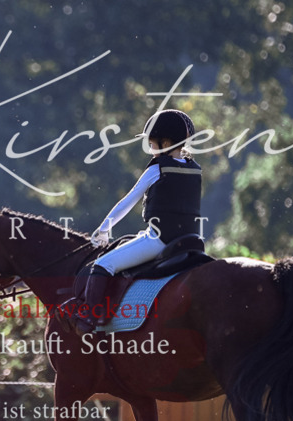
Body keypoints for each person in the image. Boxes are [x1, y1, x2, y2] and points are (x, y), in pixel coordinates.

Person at [67, 109, 203, 335]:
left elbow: (127, 202)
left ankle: (89, 319)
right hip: (192, 240)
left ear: (166, 142)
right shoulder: (195, 169)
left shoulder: (158, 167)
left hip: (160, 239)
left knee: (104, 265)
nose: (150, 149)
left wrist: (104, 229)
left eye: (152, 144)